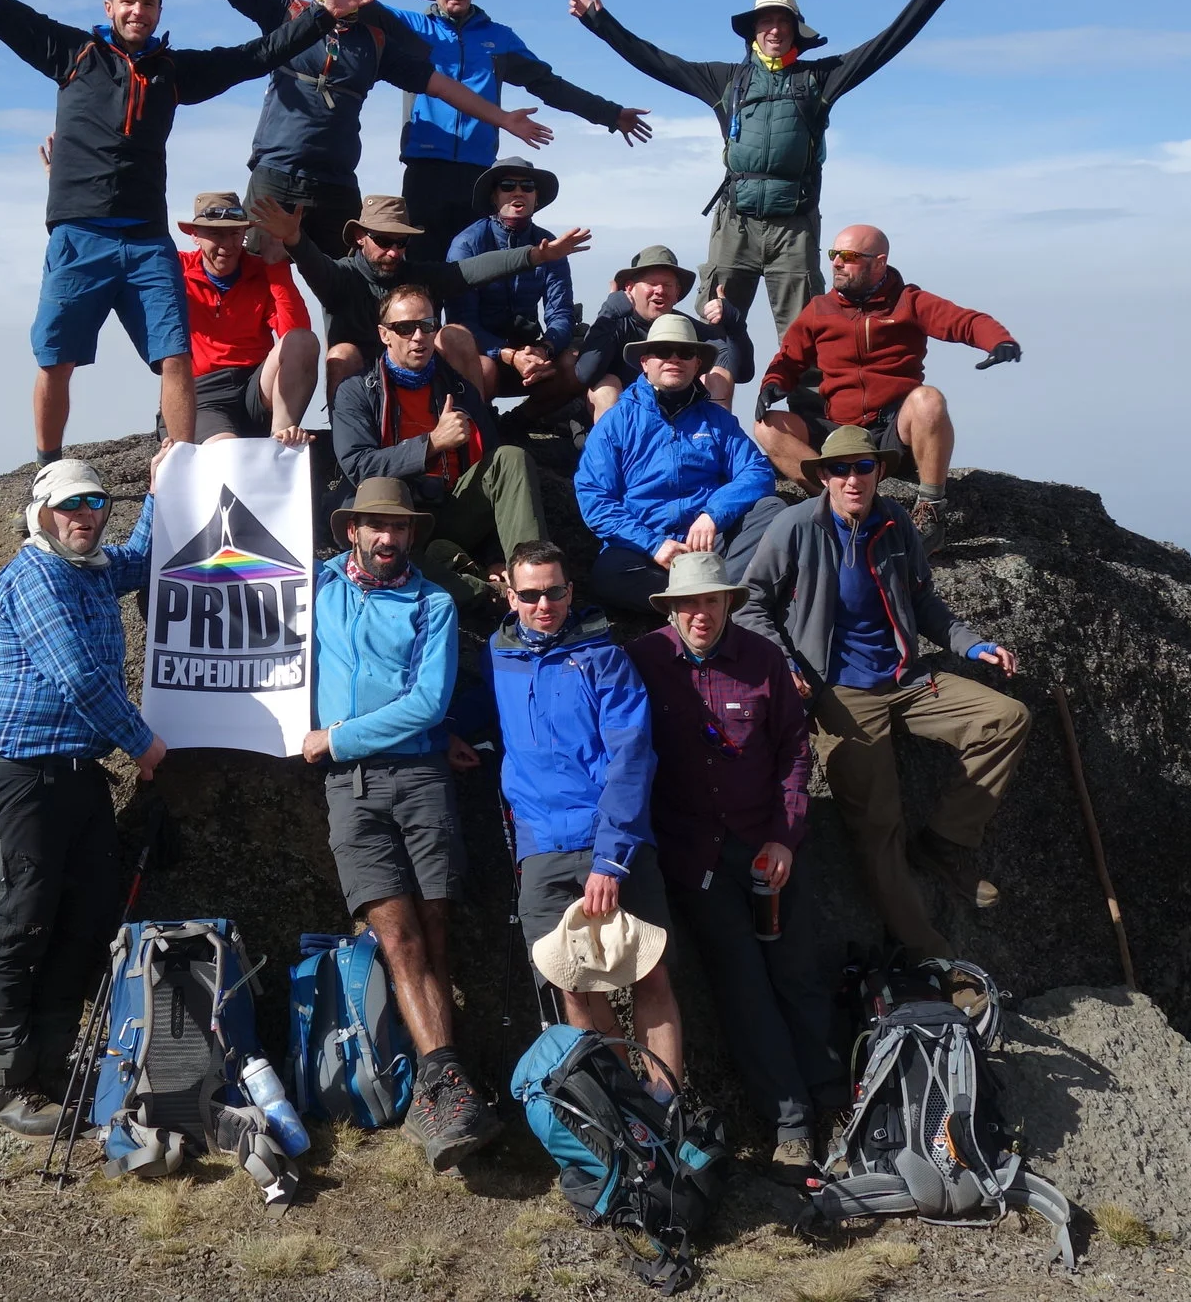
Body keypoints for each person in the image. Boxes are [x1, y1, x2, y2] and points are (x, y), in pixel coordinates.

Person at [0, 0, 363, 463]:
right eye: (129, 0)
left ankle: (178, 463)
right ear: (110, 5)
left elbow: (256, 55)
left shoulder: (172, 73)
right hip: (80, 233)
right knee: (57, 359)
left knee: (174, 355)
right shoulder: (72, 53)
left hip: (147, 239)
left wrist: (324, 15)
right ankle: (48, 468)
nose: (139, 11)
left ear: (157, 11)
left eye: (149, 3)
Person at [734, 427, 1029, 966]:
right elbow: (748, 602)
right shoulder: (795, 526)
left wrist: (972, 644)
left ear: (880, 472)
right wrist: (784, 661)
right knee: (879, 826)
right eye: (840, 469)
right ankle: (934, 959)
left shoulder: (895, 524)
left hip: (906, 679)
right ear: (822, 475)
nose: (852, 479)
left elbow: (923, 602)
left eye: (863, 467)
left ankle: (946, 842)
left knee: (1006, 718)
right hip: (840, 693)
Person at [119, 0, 552, 259]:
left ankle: (352, 363)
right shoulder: (286, 12)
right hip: (276, 174)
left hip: (337, 184)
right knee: (255, 281)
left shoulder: (376, 42)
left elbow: (443, 86)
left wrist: (502, 119)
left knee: (352, 287)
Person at [566, 0, 961, 341]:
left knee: (805, 336)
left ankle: (807, 411)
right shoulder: (727, 80)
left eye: (783, 22)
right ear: (754, 30)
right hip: (735, 224)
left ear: (795, 31)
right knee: (714, 327)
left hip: (794, 226)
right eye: (766, 21)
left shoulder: (818, 79)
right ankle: (705, 409)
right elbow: (655, 61)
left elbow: (883, 46)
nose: (775, 29)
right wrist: (599, 22)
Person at [0, 448, 175, 1135]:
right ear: (42, 514)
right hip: (18, 774)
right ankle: (1, 1085)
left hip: (78, 773)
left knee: (84, 917)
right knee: (21, 918)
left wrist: (159, 487)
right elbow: (78, 678)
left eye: (93, 504)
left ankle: (48, 1067)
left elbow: (141, 558)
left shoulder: (90, 569)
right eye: (70, 505)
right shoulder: (36, 577)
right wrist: (142, 741)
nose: (84, 515)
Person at [305, 476, 501, 1169]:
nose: (389, 538)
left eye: (400, 527)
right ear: (352, 528)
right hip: (350, 792)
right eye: (376, 526)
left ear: (413, 533)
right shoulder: (315, 586)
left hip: (419, 776)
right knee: (396, 933)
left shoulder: (434, 603)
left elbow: (426, 704)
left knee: (436, 932)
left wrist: (337, 736)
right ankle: (448, 1085)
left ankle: (439, 1084)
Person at [626, 551, 844, 1171]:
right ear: (671, 608)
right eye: (689, 603)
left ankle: (834, 1102)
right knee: (744, 986)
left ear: (728, 603)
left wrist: (784, 837)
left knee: (798, 973)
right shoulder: (642, 662)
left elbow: (794, 755)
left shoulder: (763, 660)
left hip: (768, 845)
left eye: (711, 601)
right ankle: (791, 1126)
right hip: (696, 857)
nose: (700, 613)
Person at [301, 0, 652, 263]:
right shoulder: (410, 27)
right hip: (425, 170)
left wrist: (610, 115)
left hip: (479, 176)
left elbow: (550, 85)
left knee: (472, 274)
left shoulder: (499, 39)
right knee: (420, 270)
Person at [488, 541, 684, 1082]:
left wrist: (612, 859)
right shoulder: (498, 654)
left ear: (570, 591)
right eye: (530, 595)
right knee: (567, 983)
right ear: (510, 595)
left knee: (649, 974)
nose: (543, 604)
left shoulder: (606, 658)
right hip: (542, 850)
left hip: (612, 844)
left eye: (554, 591)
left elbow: (632, 755)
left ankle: (664, 1113)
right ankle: (625, 1114)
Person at [753, 223, 1020, 535]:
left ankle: (929, 513)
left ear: (879, 262)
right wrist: (773, 383)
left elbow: (964, 321)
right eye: (833, 254)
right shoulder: (820, 309)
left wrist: (998, 341)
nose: (837, 262)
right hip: (839, 432)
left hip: (893, 433)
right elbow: (789, 356)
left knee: (928, 400)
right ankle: (838, 506)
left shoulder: (908, 301)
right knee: (767, 426)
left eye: (848, 256)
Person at [331, 283, 550, 611]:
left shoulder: (459, 389)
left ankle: (533, 583)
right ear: (384, 335)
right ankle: (488, 594)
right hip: (398, 523)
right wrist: (431, 443)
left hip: (455, 508)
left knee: (509, 458)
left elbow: (497, 483)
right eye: (405, 328)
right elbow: (359, 466)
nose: (418, 337)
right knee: (398, 563)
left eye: (427, 326)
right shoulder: (356, 392)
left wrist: (496, 556)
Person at [260, 195, 589, 398]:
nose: (393, 251)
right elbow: (313, 264)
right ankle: (344, 455)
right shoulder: (340, 277)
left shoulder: (417, 274)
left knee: (455, 335)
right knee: (342, 354)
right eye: (384, 240)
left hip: (420, 381)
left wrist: (536, 256)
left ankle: (475, 440)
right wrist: (294, 240)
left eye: (401, 243)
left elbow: (474, 269)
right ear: (360, 236)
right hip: (361, 396)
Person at [574, 314, 784, 617]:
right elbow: (594, 498)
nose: (675, 359)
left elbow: (757, 471)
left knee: (771, 511)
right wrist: (654, 544)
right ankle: (713, 601)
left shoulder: (718, 420)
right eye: (663, 351)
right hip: (646, 553)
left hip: (712, 545)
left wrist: (713, 515)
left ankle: (698, 603)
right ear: (645, 361)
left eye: (685, 353)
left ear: (697, 363)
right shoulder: (615, 422)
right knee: (609, 574)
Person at [442, 159, 583, 423]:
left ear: (536, 197)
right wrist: (507, 354)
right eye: (507, 185)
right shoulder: (466, 244)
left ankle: (517, 423)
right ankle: (483, 432)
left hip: (531, 357)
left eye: (527, 186)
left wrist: (545, 350)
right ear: (494, 196)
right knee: (484, 370)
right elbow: (462, 322)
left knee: (576, 364)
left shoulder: (551, 246)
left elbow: (561, 313)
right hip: (484, 357)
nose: (518, 192)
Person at [176, 193, 318, 445]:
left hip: (255, 387)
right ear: (195, 235)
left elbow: (296, 335)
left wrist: (277, 265)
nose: (227, 245)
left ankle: (281, 439)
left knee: (304, 340)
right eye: (216, 234)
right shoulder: (176, 269)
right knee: (228, 453)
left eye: (234, 233)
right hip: (204, 395)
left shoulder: (262, 270)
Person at [575, 245, 739, 417]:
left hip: (679, 419)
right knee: (606, 386)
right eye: (652, 284)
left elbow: (740, 371)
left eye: (667, 285)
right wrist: (608, 313)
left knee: (718, 376)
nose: (660, 291)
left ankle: (716, 439)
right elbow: (585, 374)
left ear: (677, 293)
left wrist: (735, 326)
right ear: (629, 288)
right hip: (624, 423)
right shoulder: (614, 323)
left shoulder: (688, 328)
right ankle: (613, 443)